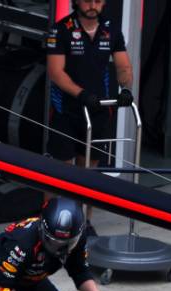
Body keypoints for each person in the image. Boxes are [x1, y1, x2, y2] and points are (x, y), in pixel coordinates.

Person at [45, 0, 134, 167]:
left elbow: (124, 66)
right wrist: (82, 94)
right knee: (58, 174)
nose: (93, 5)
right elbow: (55, 73)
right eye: (87, 1)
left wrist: (126, 90)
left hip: (98, 110)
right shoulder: (60, 29)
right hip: (66, 111)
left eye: (97, 1)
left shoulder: (111, 29)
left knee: (87, 173)